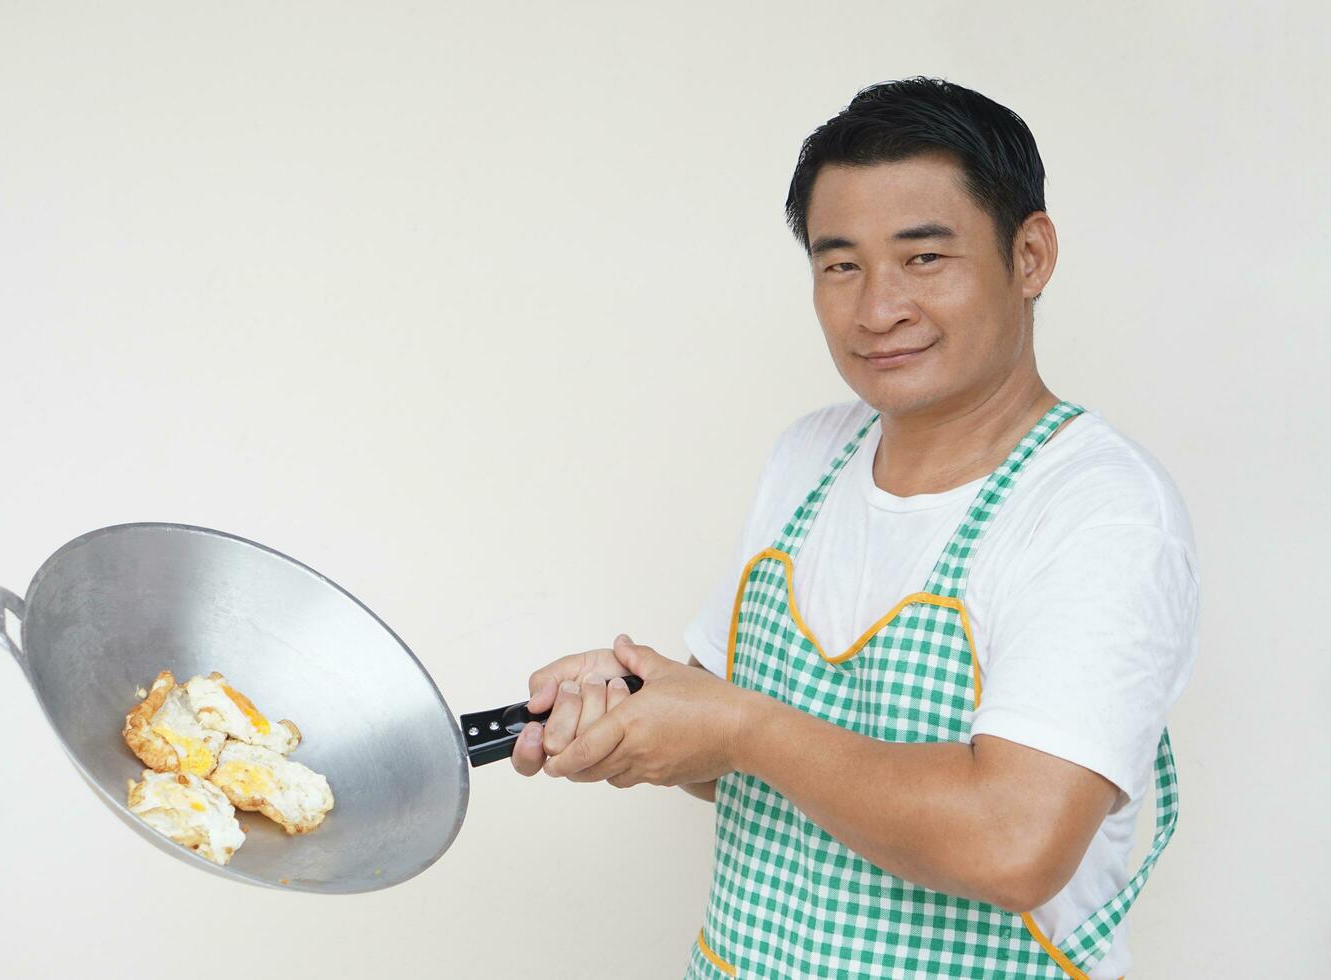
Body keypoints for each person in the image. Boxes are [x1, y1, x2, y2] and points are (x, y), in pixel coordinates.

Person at [510, 77, 1198, 979]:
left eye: (923, 259)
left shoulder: (1098, 509)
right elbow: (734, 759)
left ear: (1029, 255)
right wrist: (640, 712)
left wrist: (741, 730)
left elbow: (1015, 844)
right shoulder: (812, 457)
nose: (878, 310)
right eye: (841, 265)